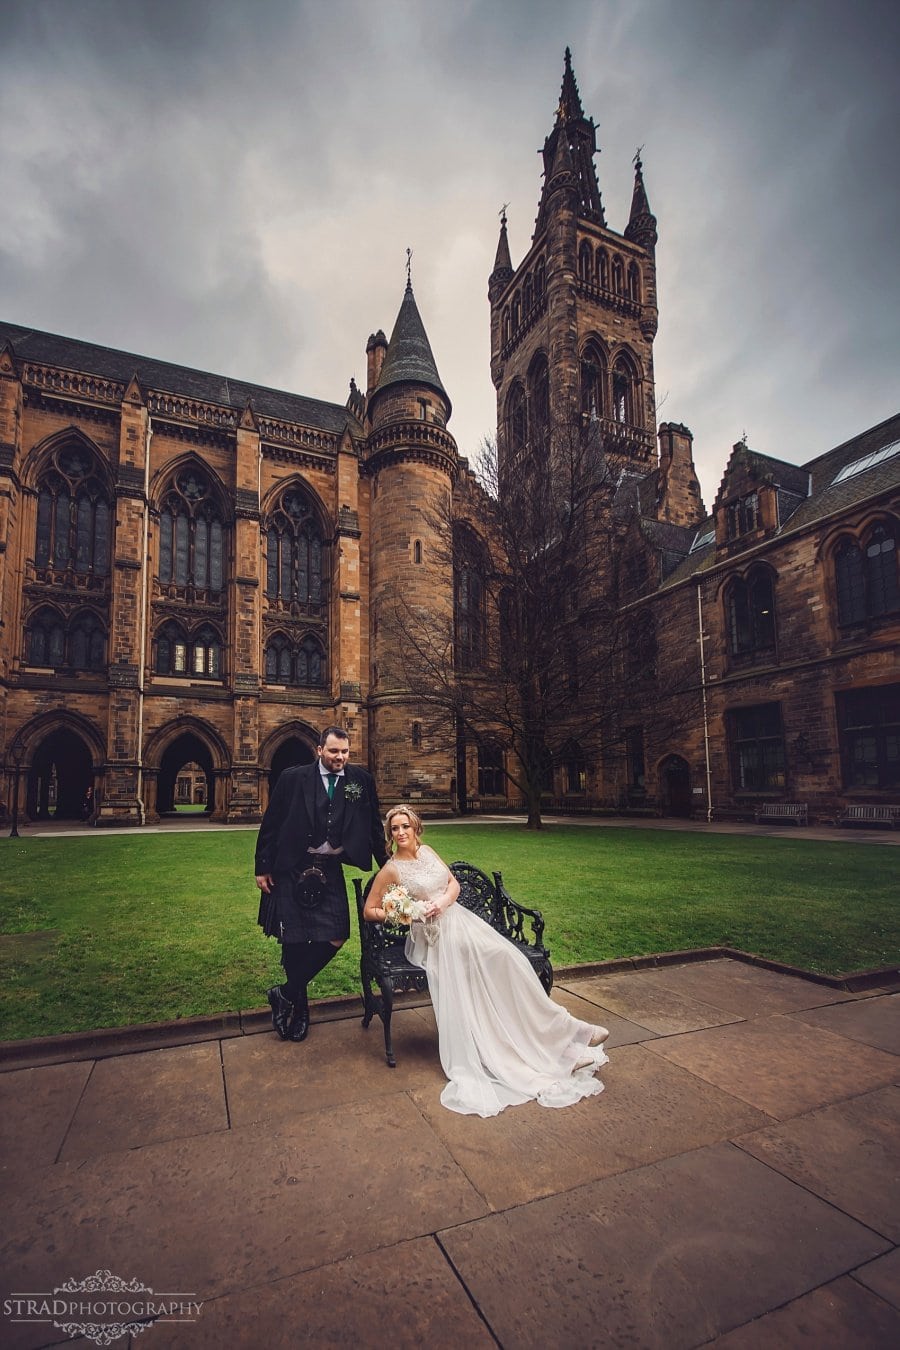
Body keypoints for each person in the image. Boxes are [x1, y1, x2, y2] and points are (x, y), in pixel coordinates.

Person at [364, 805, 609, 1117]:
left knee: (510, 960)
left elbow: (453, 883)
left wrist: (441, 901)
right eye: (395, 829)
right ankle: (548, 1048)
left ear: (416, 829)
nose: (401, 833)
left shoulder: (427, 851)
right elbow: (370, 910)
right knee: (494, 963)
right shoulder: (392, 869)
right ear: (390, 834)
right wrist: (407, 913)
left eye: (405, 827)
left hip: (459, 920)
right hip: (432, 937)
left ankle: (568, 1034)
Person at [255, 726, 387, 1043]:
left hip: (330, 868)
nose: (339, 757)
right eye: (333, 752)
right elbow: (272, 822)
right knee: (295, 942)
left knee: (339, 933)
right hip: (292, 866)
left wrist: (389, 866)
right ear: (319, 750)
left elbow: (372, 825)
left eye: (344, 752)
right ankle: (299, 1012)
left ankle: (284, 993)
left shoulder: (361, 780)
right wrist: (262, 867)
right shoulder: (292, 777)